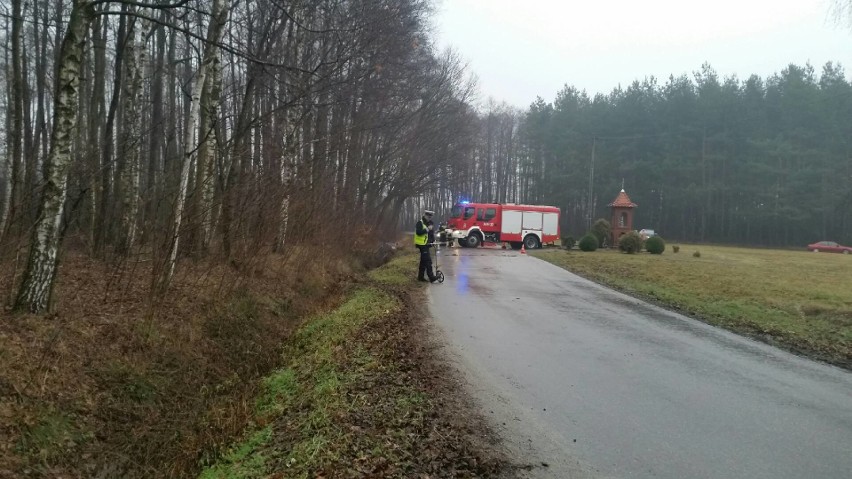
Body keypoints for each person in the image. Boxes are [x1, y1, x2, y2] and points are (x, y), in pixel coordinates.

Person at [414, 210, 437, 282]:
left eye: (431, 217)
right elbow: (418, 232)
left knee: (423, 261)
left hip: (426, 244)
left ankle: (420, 277)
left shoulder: (430, 223)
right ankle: (431, 277)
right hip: (421, 244)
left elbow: (431, 234)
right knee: (428, 261)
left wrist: (433, 241)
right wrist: (426, 229)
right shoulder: (420, 223)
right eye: (428, 216)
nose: (429, 218)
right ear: (425, 215)